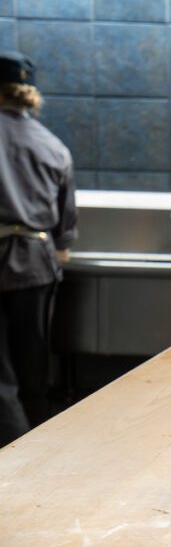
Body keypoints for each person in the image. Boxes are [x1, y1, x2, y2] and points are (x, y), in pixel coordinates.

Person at [0, 51, 77, 447]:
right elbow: (65, 224)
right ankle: (34, 448)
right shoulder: (51, 144)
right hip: (34, 263)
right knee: (33, 365)